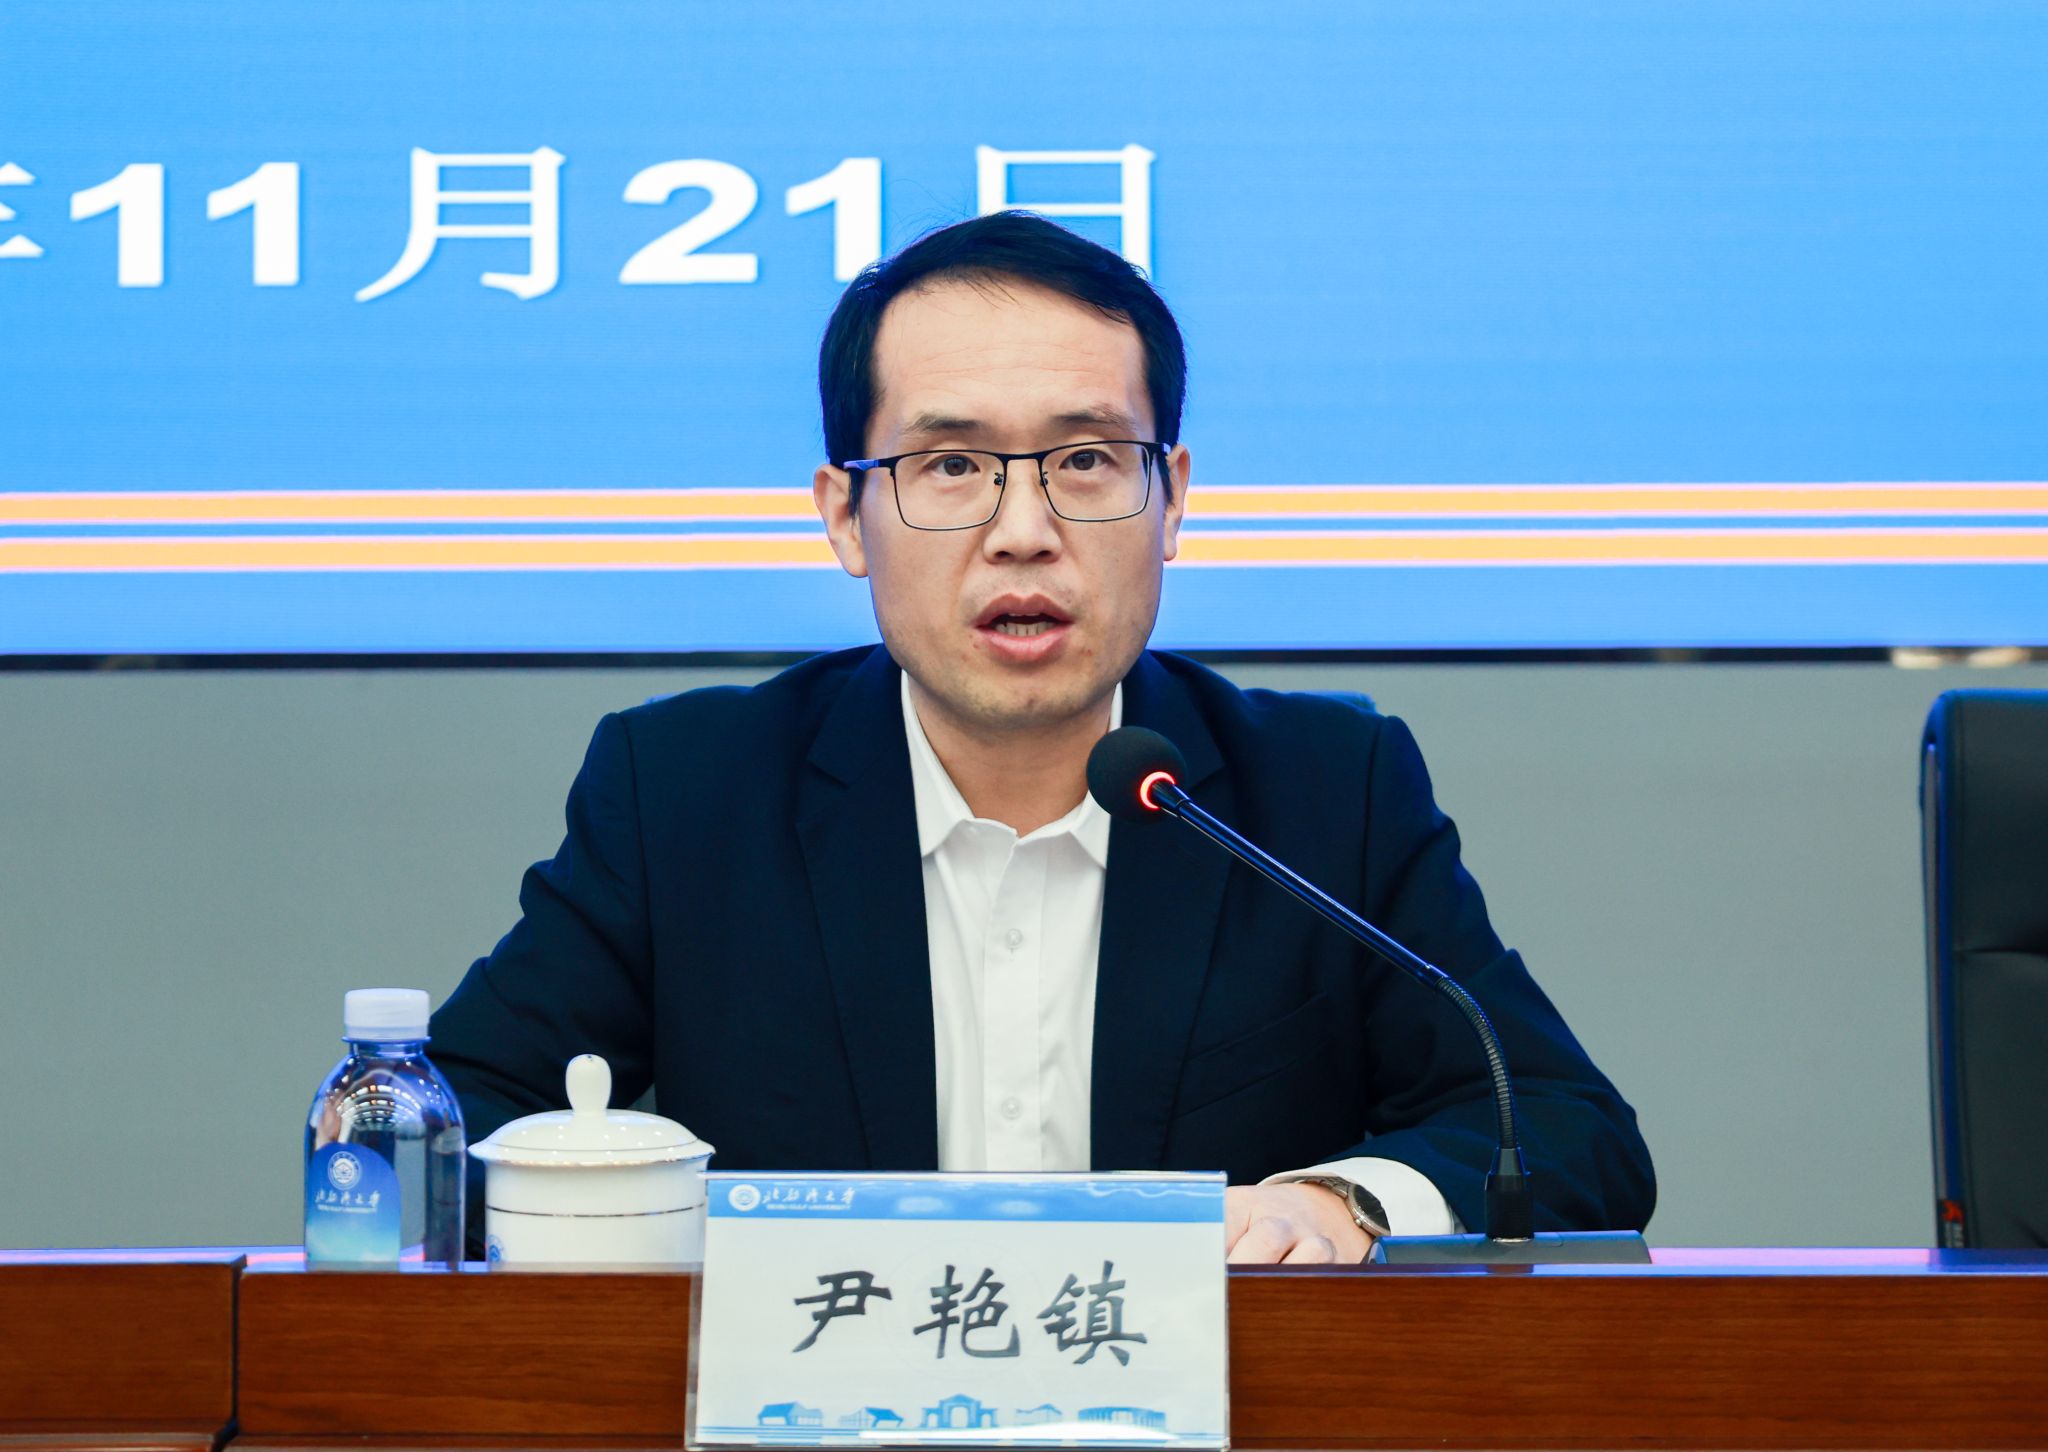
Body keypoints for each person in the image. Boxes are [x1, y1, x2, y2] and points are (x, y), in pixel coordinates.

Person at [429, 211, 1654, 1263]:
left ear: (1171, 499)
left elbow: (1559, 1127)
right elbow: (444, 1124)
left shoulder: (1325, 791)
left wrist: (1342, 1204)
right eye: (950, 464)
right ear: (844, 516)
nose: (1022, 530)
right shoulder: (686, 795)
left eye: (1084, 459)